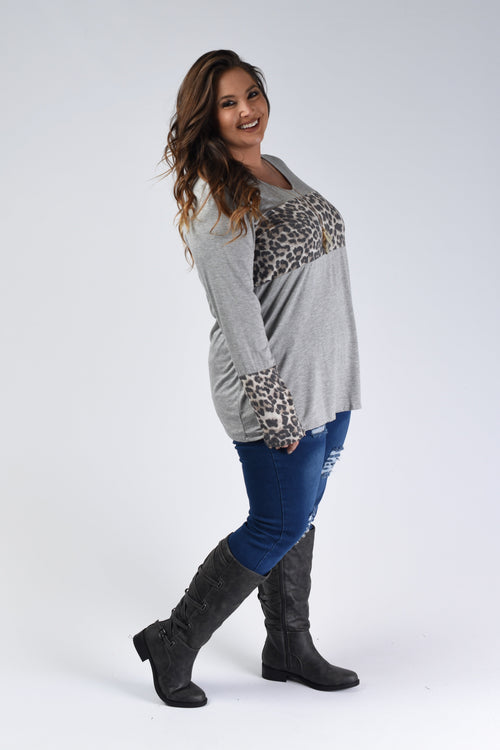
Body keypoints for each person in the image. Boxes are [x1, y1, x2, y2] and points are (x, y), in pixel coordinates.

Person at [133, 50, 362, 708]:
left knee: (298, 517)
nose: (246, 110)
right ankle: (173, 639)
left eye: (252, 94)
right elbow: (237, 318)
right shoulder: (219, 201)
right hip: (274, 393)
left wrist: (336, 374)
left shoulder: (275, 168)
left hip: (324, 382)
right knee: (275, 522)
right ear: (206, 118)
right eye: (228, 103)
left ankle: (287, 646)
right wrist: (275, 409)